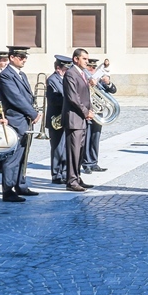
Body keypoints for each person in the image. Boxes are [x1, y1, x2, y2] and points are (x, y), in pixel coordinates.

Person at [0, 46, 42, 201]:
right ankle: (8, 190)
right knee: (13, 158)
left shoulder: (20, 75)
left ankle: (20, 185)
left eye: (25, 57)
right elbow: (16, 98)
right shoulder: (6, 75)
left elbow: (27, 97)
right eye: (21, 57)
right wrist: (33, 113)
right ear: (12, 57)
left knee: (23, 155)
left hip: (25, 119)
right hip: (16, 119)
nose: (24, 60)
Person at [62, 48, 94, 192]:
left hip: (81, 119)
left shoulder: (82, 74)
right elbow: (73, 97)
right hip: (74, 119)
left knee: (80, 152)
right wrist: (86, 112)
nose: (87, 61)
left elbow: (86, 95)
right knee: (73, 152)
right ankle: (71, 181)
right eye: (85, 59)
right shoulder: (70, 74)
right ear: (76, 59)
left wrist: (91, 109)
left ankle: (77, 177)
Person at [82, 58, 113, 174]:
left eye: (94, 67)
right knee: (87, 138)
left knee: (95, 138)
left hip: (98, 112)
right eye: (90, 67)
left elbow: (113, 90)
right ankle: (86, 163)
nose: (93, 69)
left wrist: (108, 83)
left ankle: (94, 162)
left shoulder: (98, 80)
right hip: (87, 112)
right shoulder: (83, 78)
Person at [46, 55, 71, 184]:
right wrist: (70, 98)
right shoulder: (52, 80)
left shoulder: (66, 79)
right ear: (58, 68)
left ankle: (66, 172)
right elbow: (53, 100)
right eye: (66, 69)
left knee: (66, 147)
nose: (68, 72)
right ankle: (56, 174)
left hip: (66, 117)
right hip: (55, 118)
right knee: (57, 148)